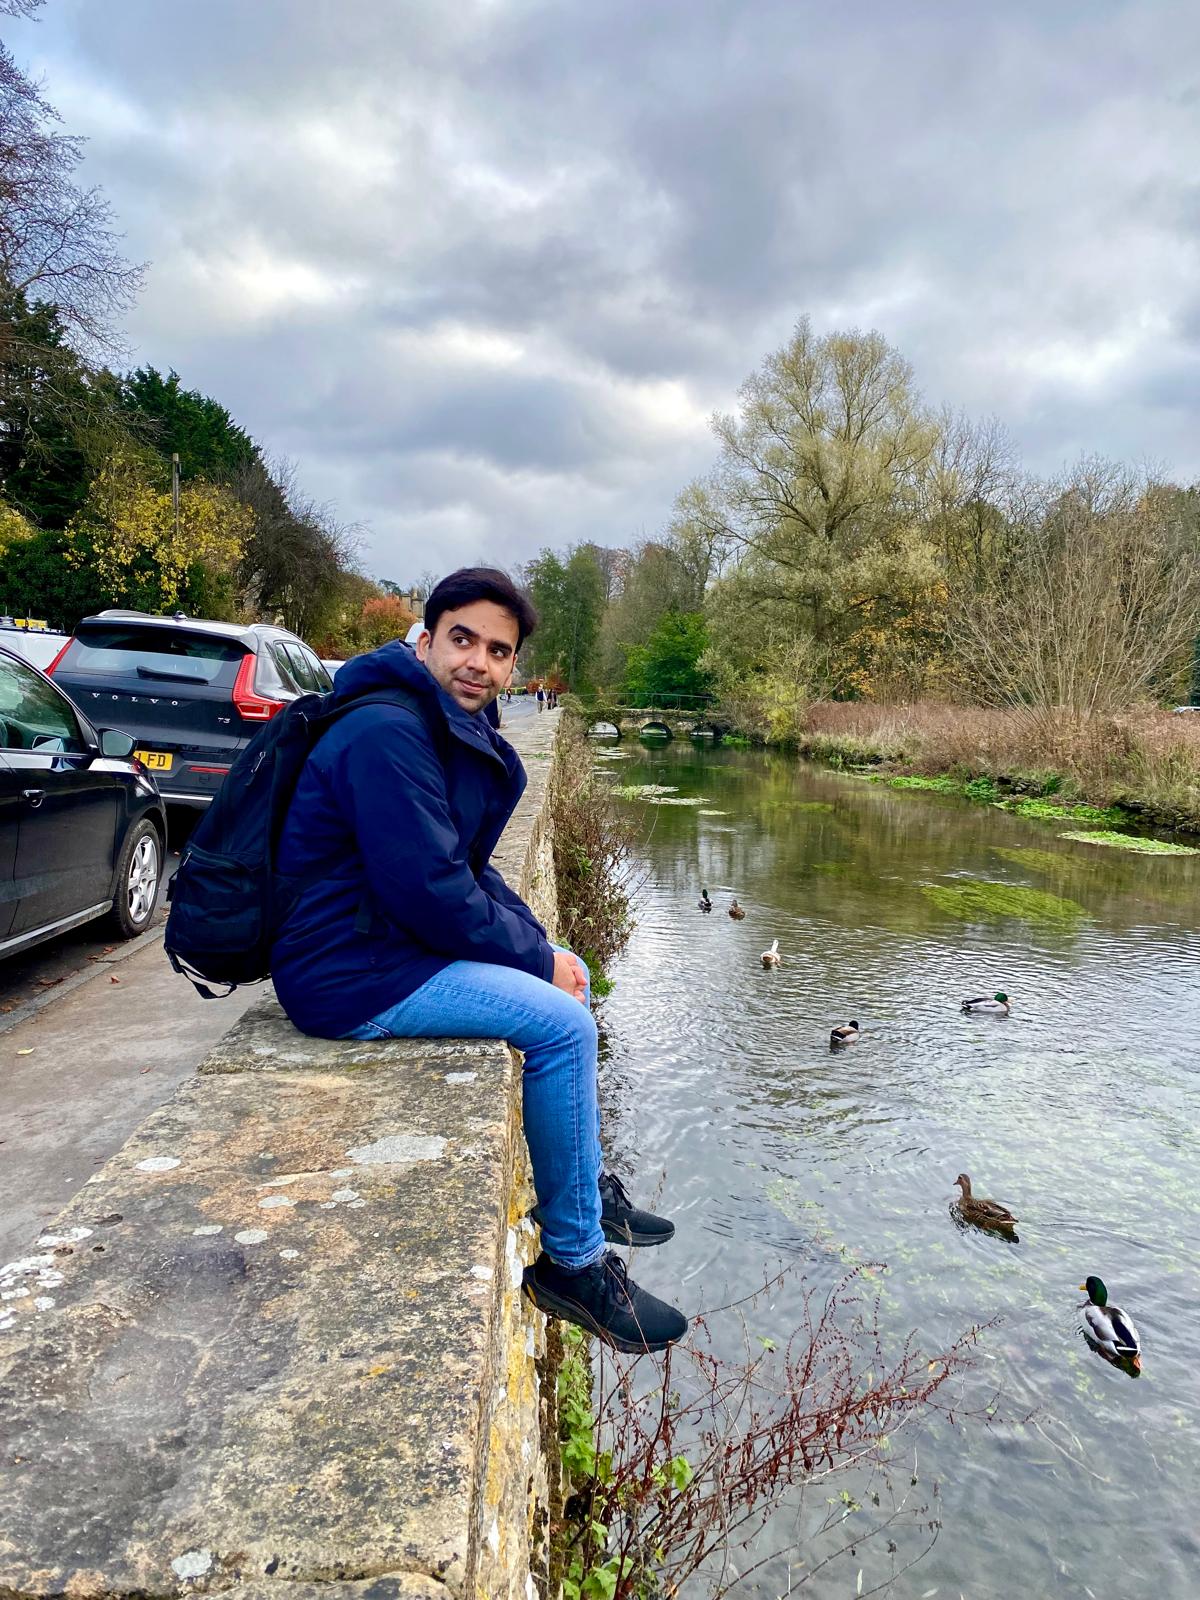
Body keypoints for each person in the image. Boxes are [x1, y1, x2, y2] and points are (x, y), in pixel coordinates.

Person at [270, 567, 687, 1353]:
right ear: (424, 640)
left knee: (572, 969)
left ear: (512, 666)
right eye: (462, 639)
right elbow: (429, 891)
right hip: (347, 974)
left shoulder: (441, 721)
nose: (479, 662)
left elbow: (466, 866)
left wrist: (542, 947)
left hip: (383, 949)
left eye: (498, 651)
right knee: (562, 1026)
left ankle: (586, 1195)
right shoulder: (386, 733)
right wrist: (534, 961)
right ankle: (574, 1264)